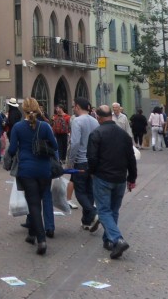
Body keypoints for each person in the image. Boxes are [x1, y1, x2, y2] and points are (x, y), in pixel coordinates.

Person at [7, 98, 59, 256]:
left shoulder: (17, 127)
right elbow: (55, 146)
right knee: (41, 199)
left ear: (23, 110)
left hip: (26, 170)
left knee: (34, 204)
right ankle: (32, 234)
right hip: (44, 169)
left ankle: (41, 240)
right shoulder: (45, 126)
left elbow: (12, 149)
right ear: (38, 109)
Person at [87, 105, 137, 259]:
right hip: (120, 177)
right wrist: (132, 178)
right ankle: (108, 240)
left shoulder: (96, 133)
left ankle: (117, 239)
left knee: (103, 210)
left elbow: (92, 158)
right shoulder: (124, 135)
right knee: (114, 210)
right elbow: (131, 158)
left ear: (98, 117)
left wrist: (92, 172)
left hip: (103, 177)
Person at [68, 97, 100, 233]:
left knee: (80, 192)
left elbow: (75, 143)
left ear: (77, 107)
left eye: (73, 106)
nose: (73, 109)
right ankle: (86, 221)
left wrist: (70, 161)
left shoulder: (77, 121)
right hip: (92, 161)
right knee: (89, 190)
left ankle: (93, 212)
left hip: (80, 161)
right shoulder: (95, 121)